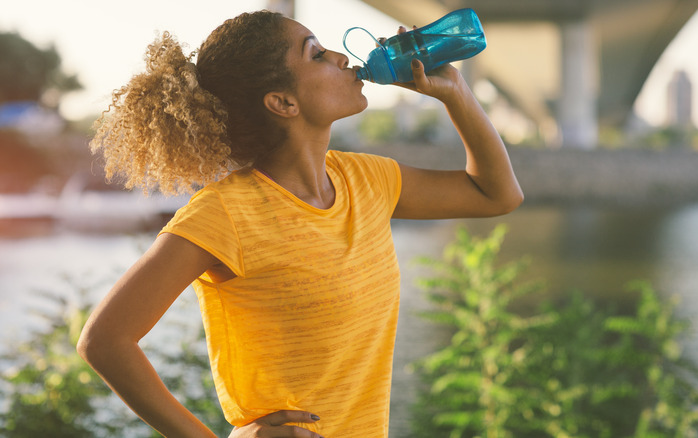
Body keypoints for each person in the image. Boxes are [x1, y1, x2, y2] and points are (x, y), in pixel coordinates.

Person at [77, 9, 523, 438]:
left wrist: (457, 94)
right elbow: (105, 340)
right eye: (316, 53)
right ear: (283, 102)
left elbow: (497, 195)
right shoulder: (224, 213)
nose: (341, 57)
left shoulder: (366, 179)